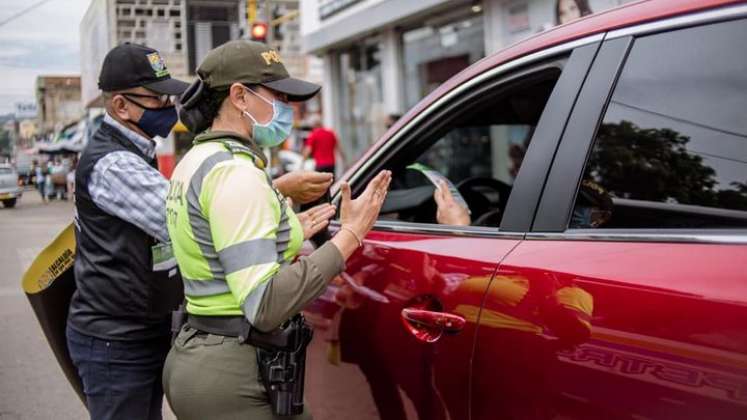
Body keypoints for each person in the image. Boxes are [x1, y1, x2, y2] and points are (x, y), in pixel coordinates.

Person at [163, 39, 392, 420]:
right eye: (278, 96)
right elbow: (265, 306)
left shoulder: (197, 160)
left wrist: (293, 228)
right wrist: (351, 233)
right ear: (239, 96)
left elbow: (216, 245)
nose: (289, 108)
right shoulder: (236, 175)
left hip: (197, 352)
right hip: (232, 371)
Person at [65, 43, 189, 420]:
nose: (170, 107)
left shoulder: (138, 151)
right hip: (116, 342)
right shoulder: (114, 163)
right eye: (158, 99)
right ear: (121, 106)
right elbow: (185, 219)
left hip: (137, 332)